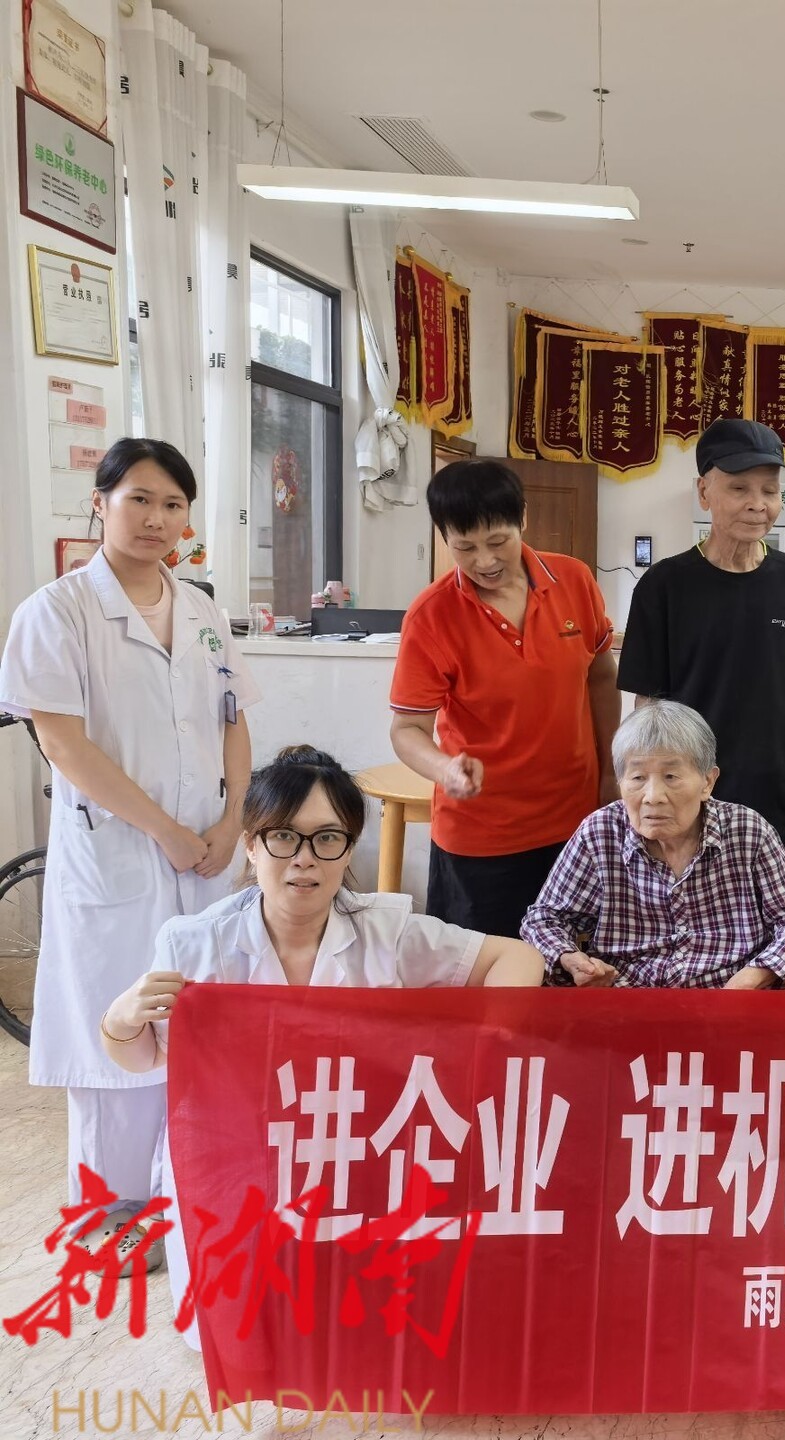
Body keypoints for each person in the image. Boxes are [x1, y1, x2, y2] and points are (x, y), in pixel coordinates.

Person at [99, 746, 545, 1341]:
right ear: (252, 845)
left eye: (328, 838)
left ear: (349, 848)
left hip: (354, 1157)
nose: (304, 859)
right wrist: (121, 1020)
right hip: (238, 1163)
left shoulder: (386, 932)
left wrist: (480, 1048)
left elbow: (517, 958)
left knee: (359, 1331)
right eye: (284, 837)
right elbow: (147, 1058)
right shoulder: (195, 943)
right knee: (246, 1335)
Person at [0, 437, 258, 1257]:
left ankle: (181, 1198)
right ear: (101, 502)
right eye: (139, 499)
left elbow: (233, 720)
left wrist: (233, 819)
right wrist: (166, 830)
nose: (156, 518)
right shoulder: (58, 611)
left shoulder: (203, 612)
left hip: (205, 850)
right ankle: (108, 1214)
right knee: (114, 1029)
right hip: (117, 853)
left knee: (193, 1021)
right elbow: (64, 745)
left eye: (173, 504)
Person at [390, 459, 617, 936]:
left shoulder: (573, 580)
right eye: (465, 547)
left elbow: (600, 677)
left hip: (575, 822)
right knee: (483, 971)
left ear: (523, 519)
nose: (485, 562)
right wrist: (444, 769)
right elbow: (408, 729)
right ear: (444, 538)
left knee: (573, 967)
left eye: (498, 541)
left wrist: (612, 772)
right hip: (482, 837)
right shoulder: (432, 616)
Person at [620, 419, 785, 878]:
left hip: (780, 804)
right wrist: (647, 793)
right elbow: (647, 706)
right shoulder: (664, 586)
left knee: (778, 923)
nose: (757, 504)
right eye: (739, 488)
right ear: (704, 491)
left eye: (770, 490)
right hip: (691, 808)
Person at [522, 701, 785, 988]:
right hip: (626, 1002)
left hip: (730, 999)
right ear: (620, 782)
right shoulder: (600, 833)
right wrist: (570, 958)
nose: (653, 796)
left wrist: (753, 976)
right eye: (637, 777)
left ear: (708, 782)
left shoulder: (747, 831)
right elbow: (544, 919)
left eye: (671, 776)